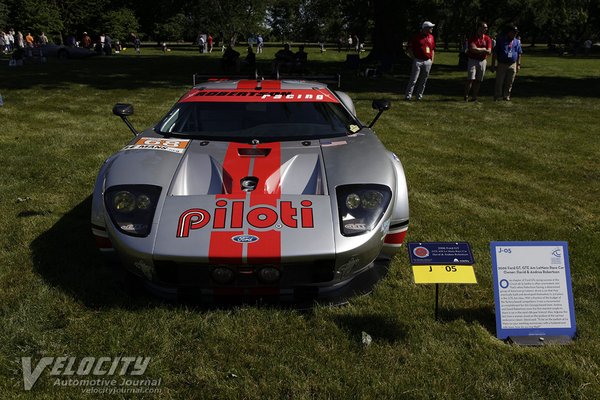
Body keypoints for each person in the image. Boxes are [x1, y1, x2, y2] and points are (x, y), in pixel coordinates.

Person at [404, 21, 436, 101]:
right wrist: (414, 58)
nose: (432, 29)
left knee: (423, 80)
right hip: (418, 60)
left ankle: (419, 96)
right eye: (430, 27)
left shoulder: (431, 37)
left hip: (427, 61)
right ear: (425, 28)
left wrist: (432, 60)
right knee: (414, 79)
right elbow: (409, 49)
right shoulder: (416, 37)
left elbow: (432, 49)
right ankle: (408, 96)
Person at [490, 25, 523, 101]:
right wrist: (493, 65)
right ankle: (497, 96)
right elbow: (495, 53)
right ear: (508, 32)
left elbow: (519, 53)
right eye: (513, 32)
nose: (515, 34)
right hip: (502, 64)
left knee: (510, 81)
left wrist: (518, 64)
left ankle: (506, 95)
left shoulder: (516, 42)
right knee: (499, 81)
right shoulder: (501, 41)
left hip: (512, 64)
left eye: (516, 32)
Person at [464, 22, 493, 102]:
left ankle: (474, 97)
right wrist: (483, 49)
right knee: (470, 79)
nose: (486, 29)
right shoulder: (472, 38)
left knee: (479, 80)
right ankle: (466, 96)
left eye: (486, 27)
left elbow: (489, 51)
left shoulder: (487, 38)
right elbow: (472, 49)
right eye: (484, 27)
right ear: (479, 28)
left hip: (483, 61)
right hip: (472, 60)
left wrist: (479, 50)